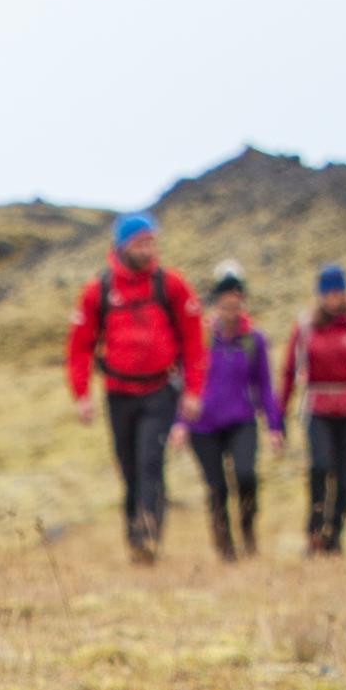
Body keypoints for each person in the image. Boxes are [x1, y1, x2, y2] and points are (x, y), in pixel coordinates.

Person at [65, 211, 204, 563]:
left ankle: (149, 536)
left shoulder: (171, 285)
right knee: (128, 467)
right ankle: (133, 535)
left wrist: (192, 391)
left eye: (151, 242)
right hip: (118, 393)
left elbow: (193, 341)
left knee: (149, 462)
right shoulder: (100, 290)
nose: (148, 249)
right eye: (140, 243)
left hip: (160, 391)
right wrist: (81, 395)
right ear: (122, 246)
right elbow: (80, 345)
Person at [278, 263, 346, 557]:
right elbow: (289, 370)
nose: (334, 298)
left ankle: (334, 535)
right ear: (321, 295)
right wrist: (280, 413)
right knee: (320, 466)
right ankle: (314, 532)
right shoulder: (305, 326)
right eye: (329, 292)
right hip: (318, 408)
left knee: (345, 475)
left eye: (339, 291)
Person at [179, 264, 279, 558]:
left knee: (246, 475)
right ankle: (225, 548)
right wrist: (179, 422)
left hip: (241, 421)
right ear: (216, 306)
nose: (231, 312)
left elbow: (264, 385)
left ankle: (248, 531)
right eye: (225, 306)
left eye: (236, 305)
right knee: (217, 488)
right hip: (203, 426)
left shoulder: (253, 341)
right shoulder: (201, 339)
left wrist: (274, 427)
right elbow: (184, 383)